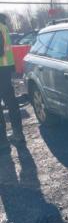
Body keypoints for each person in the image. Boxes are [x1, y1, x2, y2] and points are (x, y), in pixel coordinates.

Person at [0, 13, 25, 151]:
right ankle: (17, 133)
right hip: (5, 69)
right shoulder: (3, 27)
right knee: (11, 102)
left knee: (9, 103)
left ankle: (3, 139)